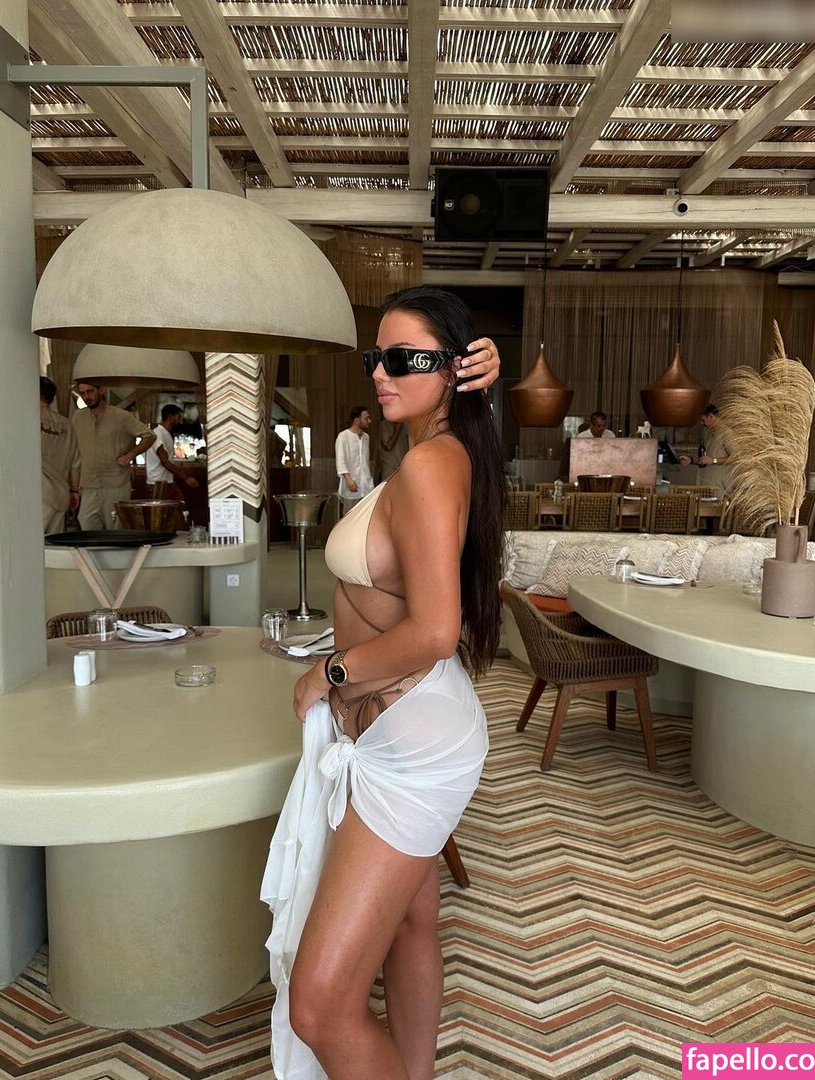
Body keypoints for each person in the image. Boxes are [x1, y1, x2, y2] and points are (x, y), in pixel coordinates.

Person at [261, 291, 504, 1080]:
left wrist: (330, 671)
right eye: (377, 358)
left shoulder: (432, 464)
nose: (379, 373)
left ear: (453, 369)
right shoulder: (437, 452)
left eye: (403, 359)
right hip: (407, 726)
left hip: (413, 741)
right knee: (409, 929)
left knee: (320, 1004)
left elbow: (433, 632)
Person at [72, 382, 155, 530]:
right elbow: (74, 450)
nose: (86, 397)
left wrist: (130, 455)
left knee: (116, 529)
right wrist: (74, 486)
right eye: (83, 393)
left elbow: (149, 436)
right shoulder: (78, 417)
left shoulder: (121, 416)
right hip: (88, 484)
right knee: (86, 525)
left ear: (102, 390)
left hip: (115, 483)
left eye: (90, 391)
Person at [39, 376, 80, 534]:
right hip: (62, 494)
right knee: (54, 543)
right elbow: (76, 464)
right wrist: (74, 492)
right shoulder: (68, 425)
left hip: (38, 493)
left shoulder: (27, 419)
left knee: (31, 542)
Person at [678, 404, 734, 496]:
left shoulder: (727, 434)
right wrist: (691, 460)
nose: (701, 423)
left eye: (702, 420)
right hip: (706, 486)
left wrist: (713, 461)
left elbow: (736, 458)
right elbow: (706, 459)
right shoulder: (709, 434)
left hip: (719, 488)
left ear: (710, 416)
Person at [145, 403, 200, 497]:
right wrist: (186, 477)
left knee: (180, 503)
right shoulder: (158, 434)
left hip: (167, 482)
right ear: (170, 417)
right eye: (178, 418)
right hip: (158, 483)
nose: (181, 422)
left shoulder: (165, 434)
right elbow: (165, 462)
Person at [335, 405, 374, 514]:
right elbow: (340, 460)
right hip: (351, 485)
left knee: (366, 516)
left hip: (367, 486)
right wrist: (348, 479)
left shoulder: (366, 437)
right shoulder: (343, 437)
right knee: (350, 517)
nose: (369, 421)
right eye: (366, 418)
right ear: (357, 420)